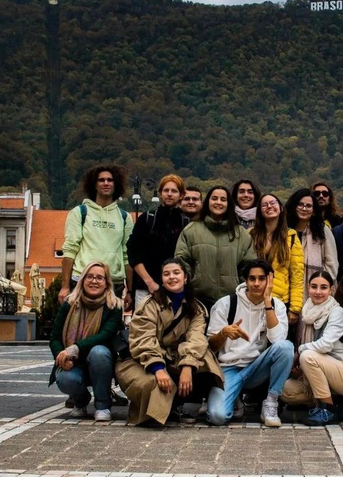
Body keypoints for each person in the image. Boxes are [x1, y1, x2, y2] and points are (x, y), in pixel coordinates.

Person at [115, 259, 223, 426]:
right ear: (162, 280)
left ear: (185, 278)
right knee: (154, 385)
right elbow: (143, 339)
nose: (171, 277)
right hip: (141, 359)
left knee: (206, 358)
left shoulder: (196, 308)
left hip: (175, 357)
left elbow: (196, 339)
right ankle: (155, 412)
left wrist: (187, 366)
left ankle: (178, 403)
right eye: (166, 274)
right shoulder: (149, 305)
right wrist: (157, 368)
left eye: (176, 273)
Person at [205, 260, 293, 427]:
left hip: (256, 367)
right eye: (252, 279)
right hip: (228, 369)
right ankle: (236, 401)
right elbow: (211, 347)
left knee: (286, 347)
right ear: (245, 281)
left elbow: (278, 341)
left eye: (262, 278)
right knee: (218, 417)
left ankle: (271, 403)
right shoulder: (226, 304)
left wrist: (267, 302)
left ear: (270, 280)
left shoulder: (277, 305)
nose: (257, 283)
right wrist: (224, 333)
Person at [281, 271, 343, 426]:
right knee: (286, 390)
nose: (318, 292)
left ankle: (327, 409)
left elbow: (325, 345)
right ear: (308, 288)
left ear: (331, 290)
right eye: (314, 287)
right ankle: (328, 404)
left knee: (307, 355)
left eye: (323, 287)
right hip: (326, 373)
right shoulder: (306, 312)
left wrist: (301, 351)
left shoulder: (337, 312)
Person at [49, 262, 123, 421]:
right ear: (82, 280)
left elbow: (104, 335)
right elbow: (54, 337)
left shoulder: (114, 306)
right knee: (64, 379)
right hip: (74, 363)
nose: (94, 281)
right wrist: (62, 356)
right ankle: (80, 401)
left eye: (99, 278)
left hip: (101, 364)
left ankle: (103, 405)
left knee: (99, 351)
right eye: (89, 277)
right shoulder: (69, 304)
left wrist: (74, 348)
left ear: (106, 283)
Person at [60, 164, 133, 305]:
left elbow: (127, 255)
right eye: (101, 180)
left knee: (110, 326)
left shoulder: (125, 218)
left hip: (114, 282)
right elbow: (70, 250)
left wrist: (130, 290)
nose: (106, 183)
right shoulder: (79, 213)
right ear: (94, 185)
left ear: (116, 184)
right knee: (78, 326)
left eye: (110, 180)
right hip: (82, 280)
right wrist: (65, 287)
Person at [174, 185, 257, 308]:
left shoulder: (241, 234)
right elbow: (182, 261)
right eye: (214, 198)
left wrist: (241, 288)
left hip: (233, 300)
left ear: (229, 204)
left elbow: (249, 265)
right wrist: (190, 286)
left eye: (223, 200)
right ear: (207, 202)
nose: (218, 202)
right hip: (198, 300)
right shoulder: (191, 230)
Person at [127, 174, 190, 308]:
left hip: (176, 288)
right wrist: (149, 282)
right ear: (160, 193)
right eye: (166, 190)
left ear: (181, 195)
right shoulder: (147, 219)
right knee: (144, 326)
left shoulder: (186, 222)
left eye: (174, 191)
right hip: (146, 288)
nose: (169, 194)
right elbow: (133, 253)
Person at [249, 193, 305, 326]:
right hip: (253, 298)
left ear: (280, 208)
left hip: (280, 301)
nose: (269, 206)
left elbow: (297, 274)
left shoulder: (291, 237)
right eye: (264, 205)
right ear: (259, 211)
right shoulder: (251, 235)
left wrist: (295, 308)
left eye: (273, 203)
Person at [286, 188, 338, 299]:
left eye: (309, 206)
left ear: (314, 211)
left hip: (316, 294)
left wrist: (321, 286)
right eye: (300, 205)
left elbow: (331, 264)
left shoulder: (322, 231)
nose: (304, 208)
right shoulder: (284, 231)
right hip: (286, 290)